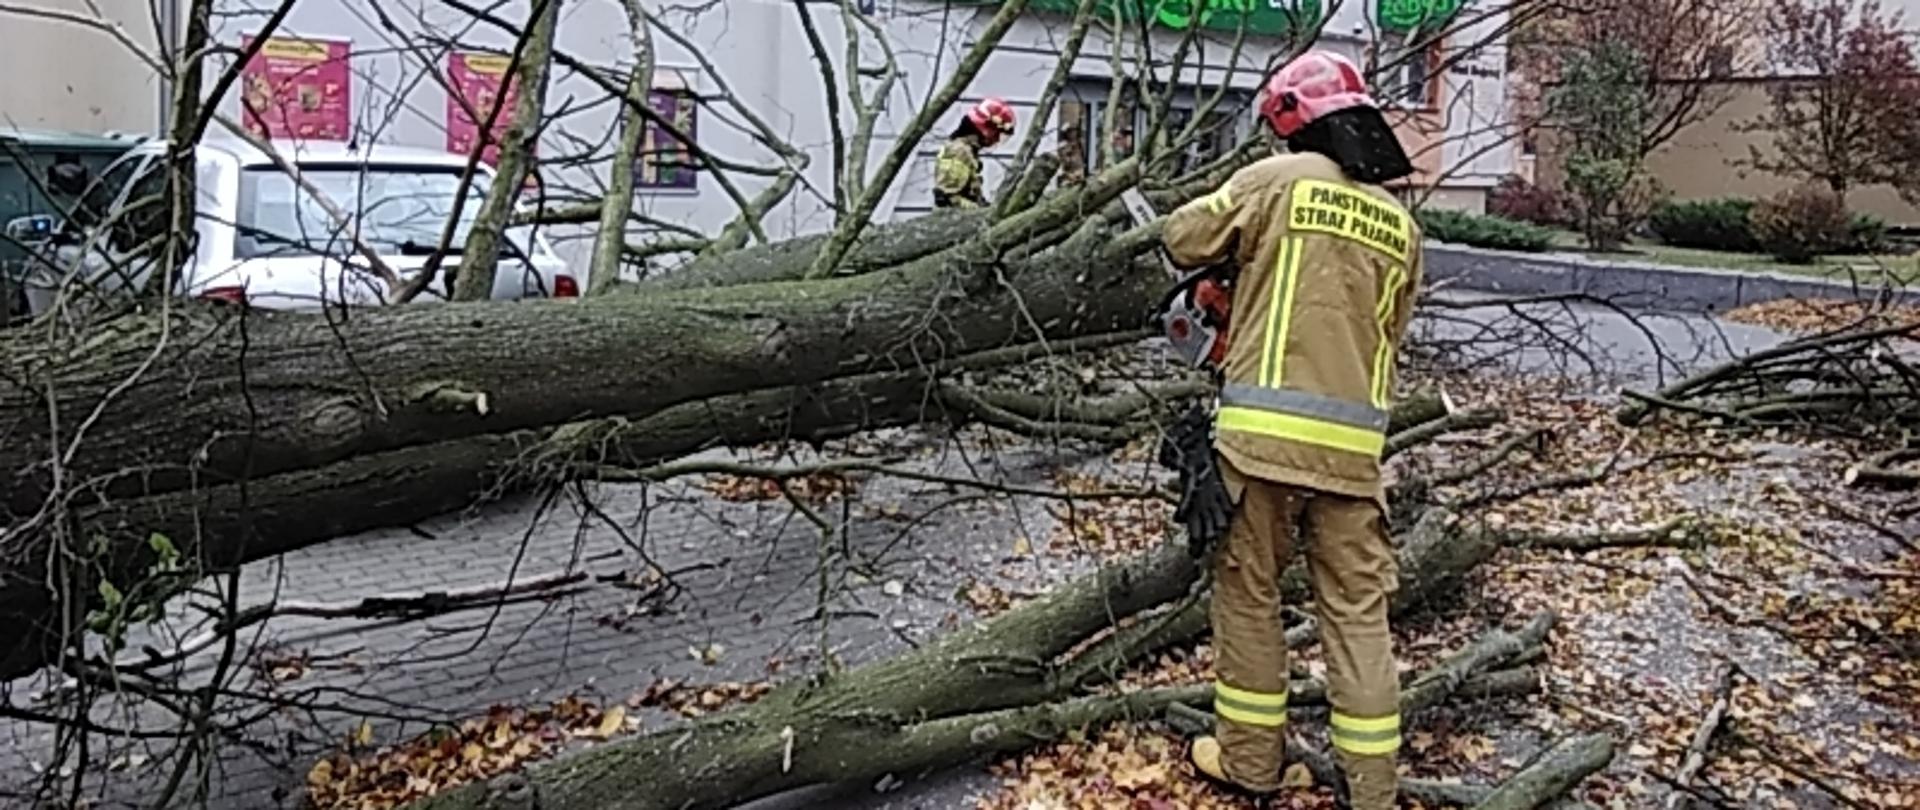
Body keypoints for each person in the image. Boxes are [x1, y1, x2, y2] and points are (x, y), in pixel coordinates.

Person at [1158, 50, 1421, 809]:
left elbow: (1183, 236)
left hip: (1259, 445)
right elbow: (1383, 333)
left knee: (1250, 596)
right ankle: (1373, 788)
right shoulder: (1400, 225)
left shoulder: (1277, 181)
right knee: (1357, 614)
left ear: (1290, 121)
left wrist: (1240, 266)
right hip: (1355, 456)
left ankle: (1248, 762)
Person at [933, 97, 1015, 209]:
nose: (996, 139)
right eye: (997, 134)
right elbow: (949, 200)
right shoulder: (959, 151)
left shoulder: (967, 151)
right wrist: (981, 213)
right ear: (987, 129)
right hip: (956, 223)